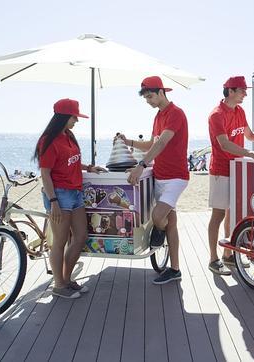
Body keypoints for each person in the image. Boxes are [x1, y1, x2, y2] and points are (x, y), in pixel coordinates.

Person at [118, 76, 188, 285]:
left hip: (176, 177)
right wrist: (128, 141)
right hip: (160, 176)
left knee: (158, 217)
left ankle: (159, 232)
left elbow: (163, 143)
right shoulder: (158, 117)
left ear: (161, 92)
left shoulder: (175, 113)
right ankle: (175, 269)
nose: (148, 101)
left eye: (150, 96)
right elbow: (151, 144)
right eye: (146, 98)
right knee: (171, 224)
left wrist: (141, 166)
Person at [34, 98, 106, 299]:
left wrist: (89, 168)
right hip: (60, 194)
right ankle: (58, 285)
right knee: (59, 242)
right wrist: (54, 202)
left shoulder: (68, 135)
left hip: (75, 193)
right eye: (75, 116)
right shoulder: (48, 140)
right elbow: (45, 173)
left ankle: (66, 279)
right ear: (65, 116)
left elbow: (71, 162)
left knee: (81, 236)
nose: (77, 120)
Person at [207, 76, 254, 275]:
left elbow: (250, 136)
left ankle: (228, 255)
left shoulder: (240, 111)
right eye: (243, 90)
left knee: (233, 214)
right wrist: (252, 154)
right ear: (231, 91)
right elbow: (224, 144)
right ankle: (213, 258)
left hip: (238, 169)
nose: (246, 93)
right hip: (221, 170)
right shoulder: (216, 115)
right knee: (218, 215)